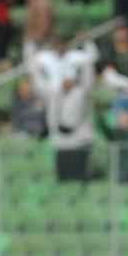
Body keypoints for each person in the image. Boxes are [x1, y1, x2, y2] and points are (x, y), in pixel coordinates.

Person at [41, 41, 96, 182]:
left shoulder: (81, 92)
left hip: (79, 141)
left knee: (80, 177)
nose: (67, 80)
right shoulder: (54, 95)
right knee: (63, 179)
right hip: (61, 141)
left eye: (69, 77)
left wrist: (87, 44)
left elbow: (88, 69)